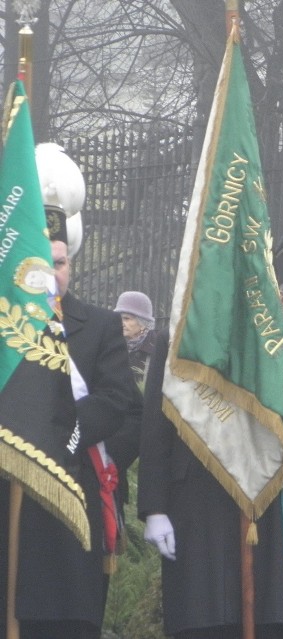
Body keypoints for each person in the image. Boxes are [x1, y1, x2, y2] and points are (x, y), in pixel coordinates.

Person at [2, 143, 139, 639]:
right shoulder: (4, 326)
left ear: (70, 264)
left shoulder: (99, 326)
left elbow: (120, 402)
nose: (52, 275)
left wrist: (60, 431)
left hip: (68, 506)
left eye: (60, 263)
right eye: (43, 263)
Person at [138, 319, 283, 639]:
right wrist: (154, 509)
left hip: (268, 516)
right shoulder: (180, 338)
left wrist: (264, 399)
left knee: (267, 621)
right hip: (197, 513)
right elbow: (156, 426)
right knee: (201, 622)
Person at [114, 290, 158, 391]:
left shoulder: (156, 347)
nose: (121, 323)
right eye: (118, 318)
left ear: (142, 322)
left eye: (127, 318)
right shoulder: (112, 344)